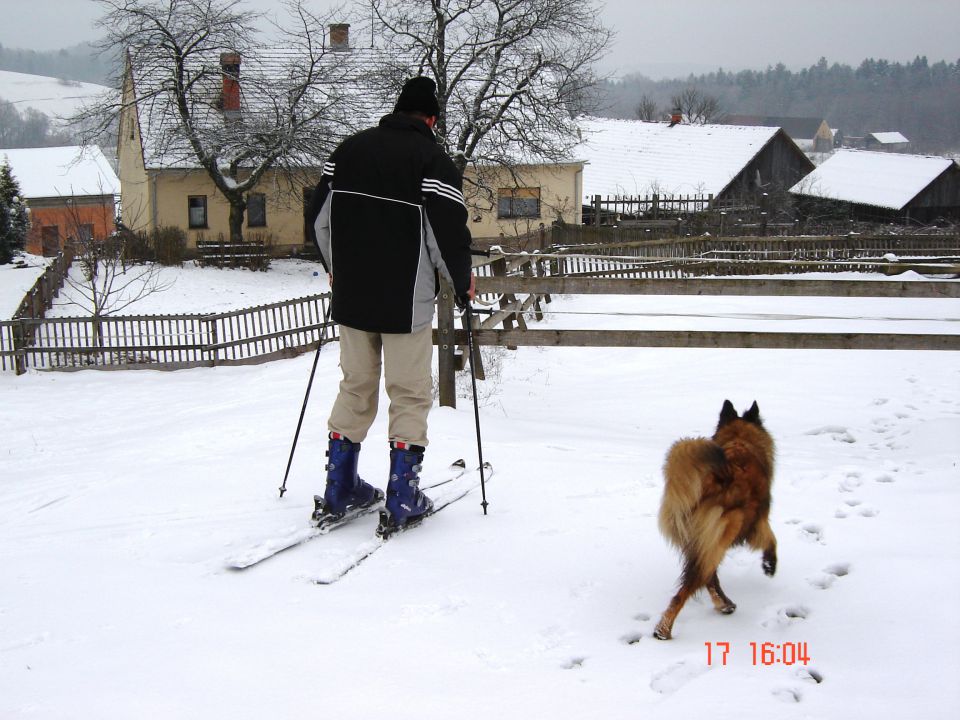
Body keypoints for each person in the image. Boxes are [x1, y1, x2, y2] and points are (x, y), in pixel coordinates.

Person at [306, 76, 475, 532]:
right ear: (432, 119)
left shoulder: (348, 152)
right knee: (409, 392)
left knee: (355, 385)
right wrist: (461, 284)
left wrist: (334, 265)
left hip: (353, 296)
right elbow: (447, 235)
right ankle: (402, 496)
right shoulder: (433, 162)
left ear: (397, 109)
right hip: (407, 302)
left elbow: (318, 219)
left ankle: (340, 488)